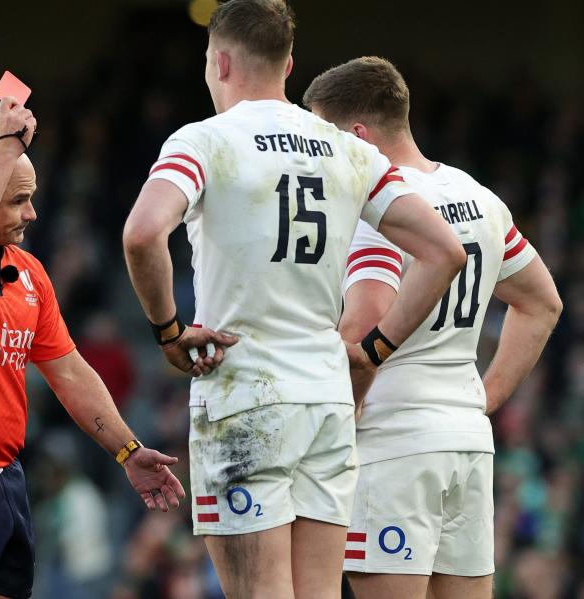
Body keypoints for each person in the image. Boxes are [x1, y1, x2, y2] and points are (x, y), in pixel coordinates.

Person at [121, 2, 468, 598]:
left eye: (209, 61)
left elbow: (142, 233)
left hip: (245, 395)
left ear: (222, 62)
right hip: (326, 398)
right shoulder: (351, 151)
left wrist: (169, 333)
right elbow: (444, 252)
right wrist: (372, 351)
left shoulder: (205, 139)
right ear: (289, 65)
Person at [0, 101, 186, 599]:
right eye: (18, 200)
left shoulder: (30, 275)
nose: (32, 213)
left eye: (32, 197)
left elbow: (68, 372)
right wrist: (7, 147)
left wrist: (127, 450)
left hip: (5, 481)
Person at [302, 56, 563, 599]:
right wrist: (480, 401)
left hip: (394, 446)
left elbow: (364, 329)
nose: (319, 157)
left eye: (322, 139)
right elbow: (542, 303)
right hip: (466, 444)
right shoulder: (479, 198)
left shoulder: (381, 211)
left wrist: (327, 434)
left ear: (357, 136)